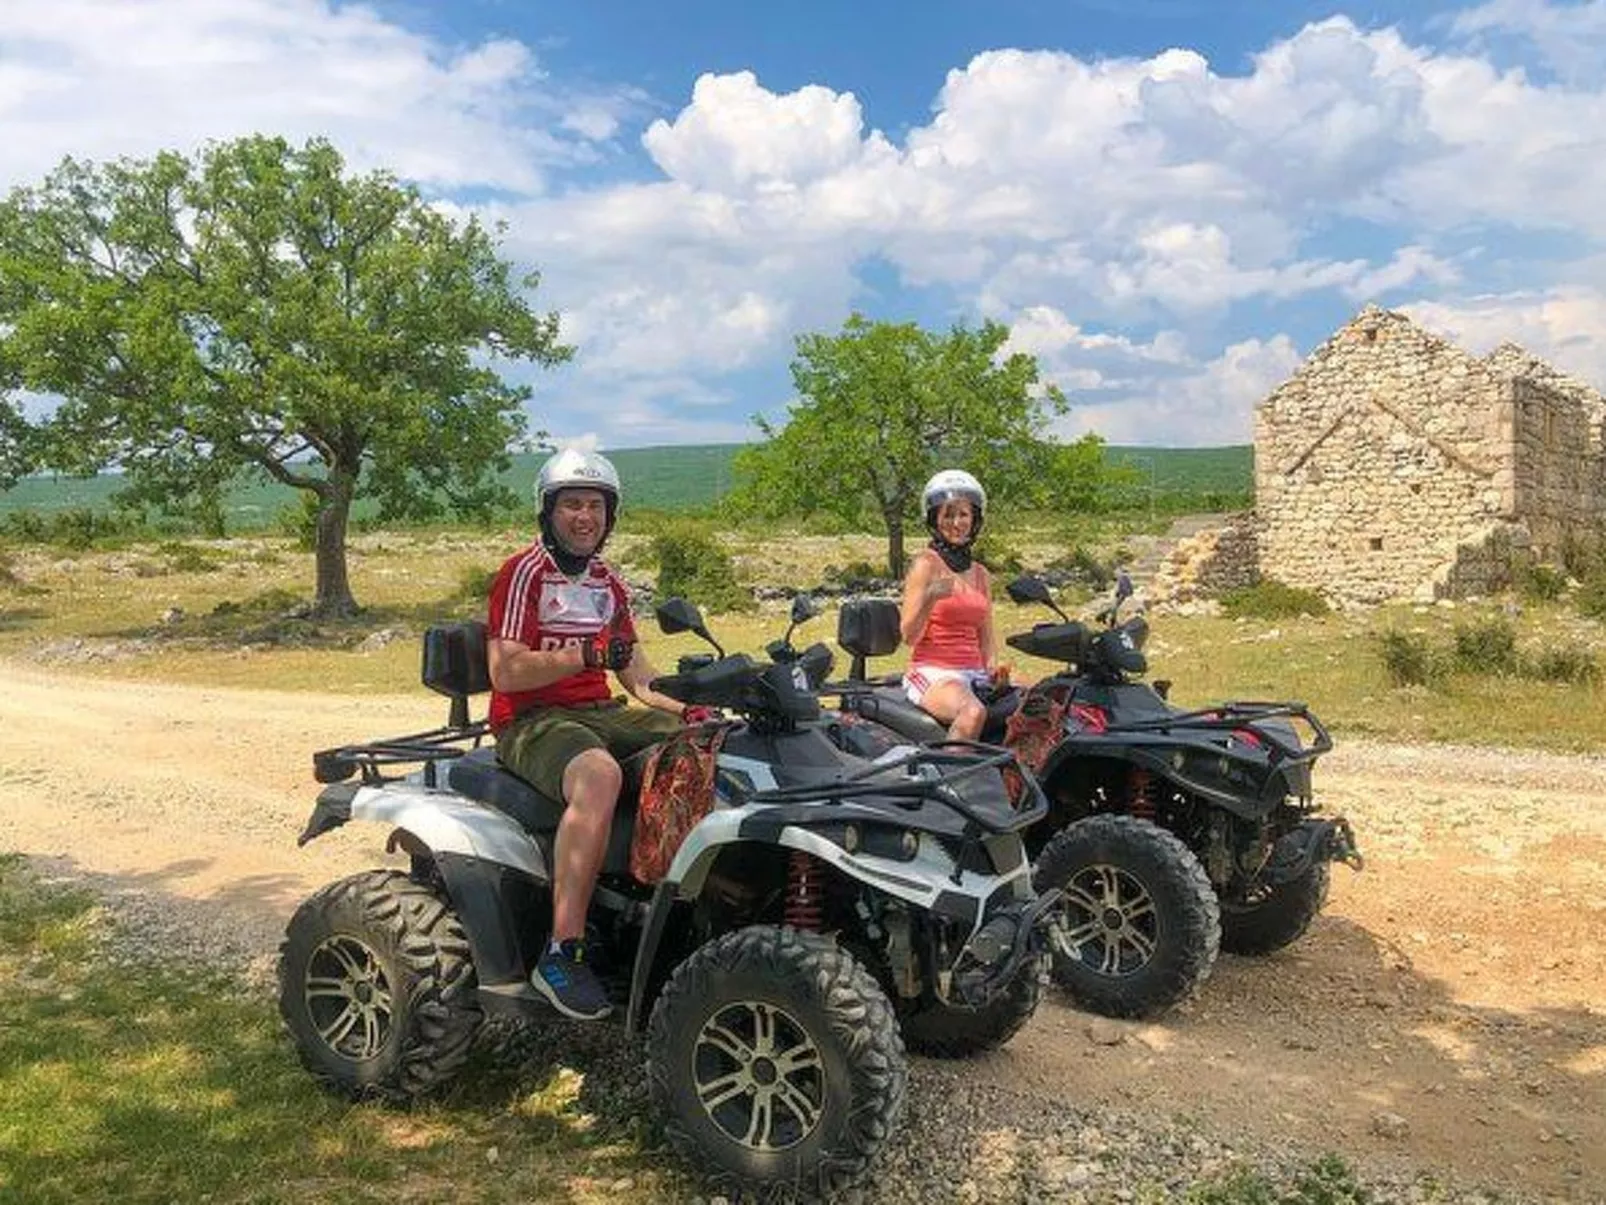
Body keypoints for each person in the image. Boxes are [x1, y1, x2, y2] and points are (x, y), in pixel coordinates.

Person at [485, 448, 693, 1020]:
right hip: (530, 721)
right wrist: (584, 652)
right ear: (548, 512)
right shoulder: (523, 573)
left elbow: (641, 679)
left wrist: (695, 706)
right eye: (572, 504)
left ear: (610, 516)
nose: (585, 516)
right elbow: (504, 670)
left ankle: (666, 909)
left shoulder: (608, 584)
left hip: (600, 711)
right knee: (598, 775)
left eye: (596, 506)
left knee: (702, 748)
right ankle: (562, 951)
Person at [899, 469, 1006, 741]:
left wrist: (994, 671)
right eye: (948, 514)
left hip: (974, 673)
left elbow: (986, 635)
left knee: (1043, 695)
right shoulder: (926, 564)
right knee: (971, 713)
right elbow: (909, 636)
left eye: (963, 514)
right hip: (933, 671)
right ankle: (956, 781)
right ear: (934, 519)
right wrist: (930, 597)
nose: (956, 522)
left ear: (975, 520)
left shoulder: (980, 573)